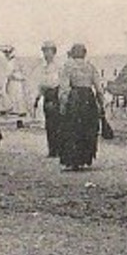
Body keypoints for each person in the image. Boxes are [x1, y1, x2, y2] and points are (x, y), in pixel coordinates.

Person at [57, 43, 104, 171]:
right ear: (84, 53)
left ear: (72, 53)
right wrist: (101, 104)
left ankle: (73, 160)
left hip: (75, 98)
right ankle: (85, 157)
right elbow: (99, 88)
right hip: (88, 98)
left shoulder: (68, 66)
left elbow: (64, 88)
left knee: (72, 129)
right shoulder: (90, 66)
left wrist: (62, 104)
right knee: (88, 129)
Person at [34, 40, 64, 158]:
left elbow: (61, 82)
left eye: (48, 51)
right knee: (49, 124)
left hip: (56, 94)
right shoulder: (43, 67)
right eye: (44, 51)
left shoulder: (59, 66)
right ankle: (52, 149)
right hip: (47, 95)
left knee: (58, 123)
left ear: (54, 52)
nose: (46, 54)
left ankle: (60, 149)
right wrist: (37, 97)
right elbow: (41, 84)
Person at [0, 45, 28, 122]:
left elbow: (10, 73)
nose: (6, 55)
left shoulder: (12, 62)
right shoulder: (11, 62)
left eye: (7, 53)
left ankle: (18, 113)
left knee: (16, 96)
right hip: (13, 81)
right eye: (5, 53)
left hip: (15, 82)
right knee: (13, 96)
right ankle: (15, 111)